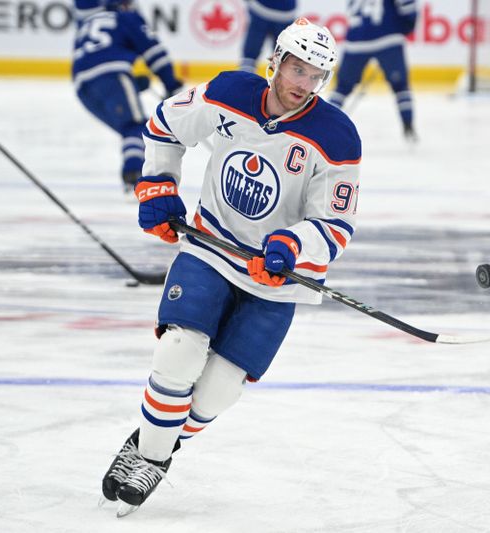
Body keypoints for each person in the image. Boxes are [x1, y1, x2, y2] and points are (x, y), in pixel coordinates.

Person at [101, 17, 361, 516]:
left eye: (315, 76)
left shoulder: (337, 136)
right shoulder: (229, 92)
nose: (302, 84)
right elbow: (164, 124)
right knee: (178, 352)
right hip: (210, 248)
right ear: (276, 62)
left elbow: (335, 224)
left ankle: (153, 443)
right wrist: (157, 184)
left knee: (218, 391)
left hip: (276, 280)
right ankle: (152, 458)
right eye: (296, 69)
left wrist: (292, 246)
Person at [72, 0, 184, 192]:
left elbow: (96, 61)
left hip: (83, 87)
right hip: (112, 75)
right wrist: (172, 85)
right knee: (135, 127)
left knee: (129, 129)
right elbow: (154, 52)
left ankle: (132, 177)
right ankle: (134, 178)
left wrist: (131, 82)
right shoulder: (126, 17)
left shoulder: (87, 22)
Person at [329, 0, 419, 141]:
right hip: (388, 37)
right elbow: (407, 6)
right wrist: (408, 24)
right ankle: (408, 125)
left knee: (342, 88)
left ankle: (325, 122)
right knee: (400, 86)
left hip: (356, 39)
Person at [239, 0, 297, 73]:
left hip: (264, 10)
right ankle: (245, 75)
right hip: (278, 11)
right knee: (282, 57)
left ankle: (245, 76)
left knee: (282, 58)